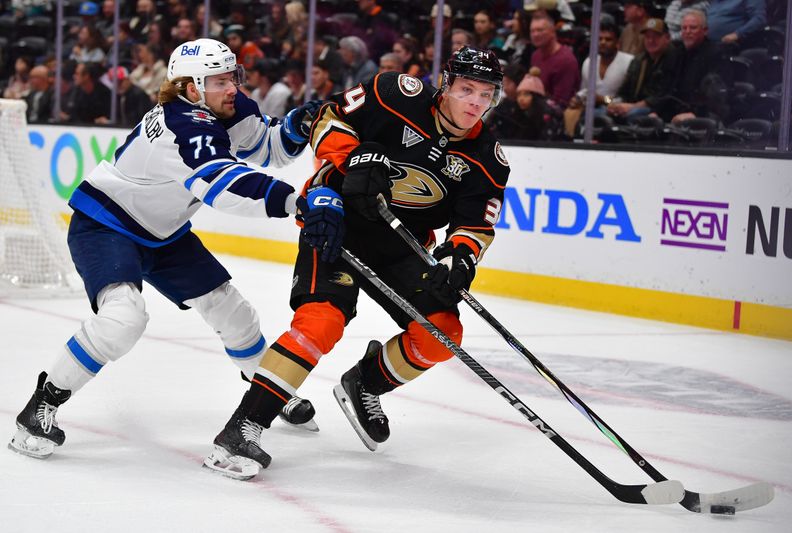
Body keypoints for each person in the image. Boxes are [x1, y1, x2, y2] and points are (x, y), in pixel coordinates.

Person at [8, 38, 343, 460]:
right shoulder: (182, 126)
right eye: (220, 81)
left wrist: (292, 128)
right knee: (123, 318)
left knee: (233, 310)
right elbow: (223, 184)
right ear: (190, 89)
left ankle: (269, 393)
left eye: (233, 77)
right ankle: (41, 405)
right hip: (105, 226)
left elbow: (264, 147)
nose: (233, 88)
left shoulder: (225, 108)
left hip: (164, 233)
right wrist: (297, 201)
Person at [203, 46, 510, 481]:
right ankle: (242, 428)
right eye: (466, 89)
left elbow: (474, 224)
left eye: (486, 94)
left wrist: (460, 259)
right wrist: (351, 160)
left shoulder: (488, 158)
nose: (475, 103)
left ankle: (365, 383)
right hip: (338, 217)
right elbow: (326, 116)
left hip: (402, 244)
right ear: (445, 84)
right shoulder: (393, 92)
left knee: (443, 333)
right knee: (321, 321)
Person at [606, 18, 679, 121]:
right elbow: (624, 90)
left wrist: (632, 106)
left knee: (633, 115)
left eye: (656, 37)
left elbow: (662, 96)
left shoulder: (674, 59)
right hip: (632, 106)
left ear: (667, 38)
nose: (650, 41)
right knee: (599, 113)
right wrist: (616, 103)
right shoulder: (638, 60)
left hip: (658, 110)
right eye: (647, 37)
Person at [528, 15, 581, 110]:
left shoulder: (565, 60)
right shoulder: (535, 55)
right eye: (532, 31)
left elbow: (561, 103)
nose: (535, 34)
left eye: (540, 30)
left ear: (553, 32)